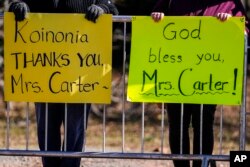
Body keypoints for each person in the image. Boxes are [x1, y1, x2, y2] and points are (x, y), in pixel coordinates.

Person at [7, 0, 119, 167]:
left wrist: (101, 8)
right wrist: (19, 6)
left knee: (75, 128)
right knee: (46, 127)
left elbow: (112, 8)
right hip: (43, 71)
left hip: (79, 75)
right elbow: (18, 3)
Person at [151, 0, 249, 167]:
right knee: (177, 123)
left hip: (208, 76)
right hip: (175, 72)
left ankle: (202, 165)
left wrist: (231, 21)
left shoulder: (230, 2)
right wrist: (158, 16)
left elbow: (244, 29)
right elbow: (154, 18)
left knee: (203, 123)